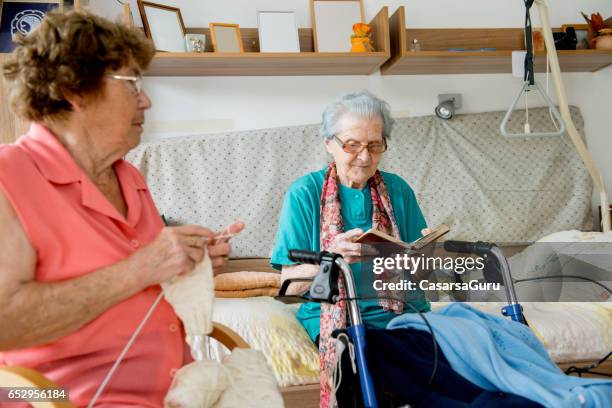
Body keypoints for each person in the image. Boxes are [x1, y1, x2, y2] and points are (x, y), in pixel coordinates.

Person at [0, 10, 243, 407]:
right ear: (72, 90)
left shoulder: (128, 176)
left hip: (174, 393)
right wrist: (146, 265)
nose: (145, 100)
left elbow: (148, 282)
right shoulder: (9, 176)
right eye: (132, 83)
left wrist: (188, 264)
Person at [270, 91, 431, 405]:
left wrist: (428, 258)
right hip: (333, 319)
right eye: (352, 144)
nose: (365, 156)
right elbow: (289, 286)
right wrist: (331, 258)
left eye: (374, 145)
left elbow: (421, 275)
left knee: (457, 355)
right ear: (328, 142)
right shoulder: (304, 194)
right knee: (365, 364)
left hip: (401, 314)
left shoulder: (398, 190)